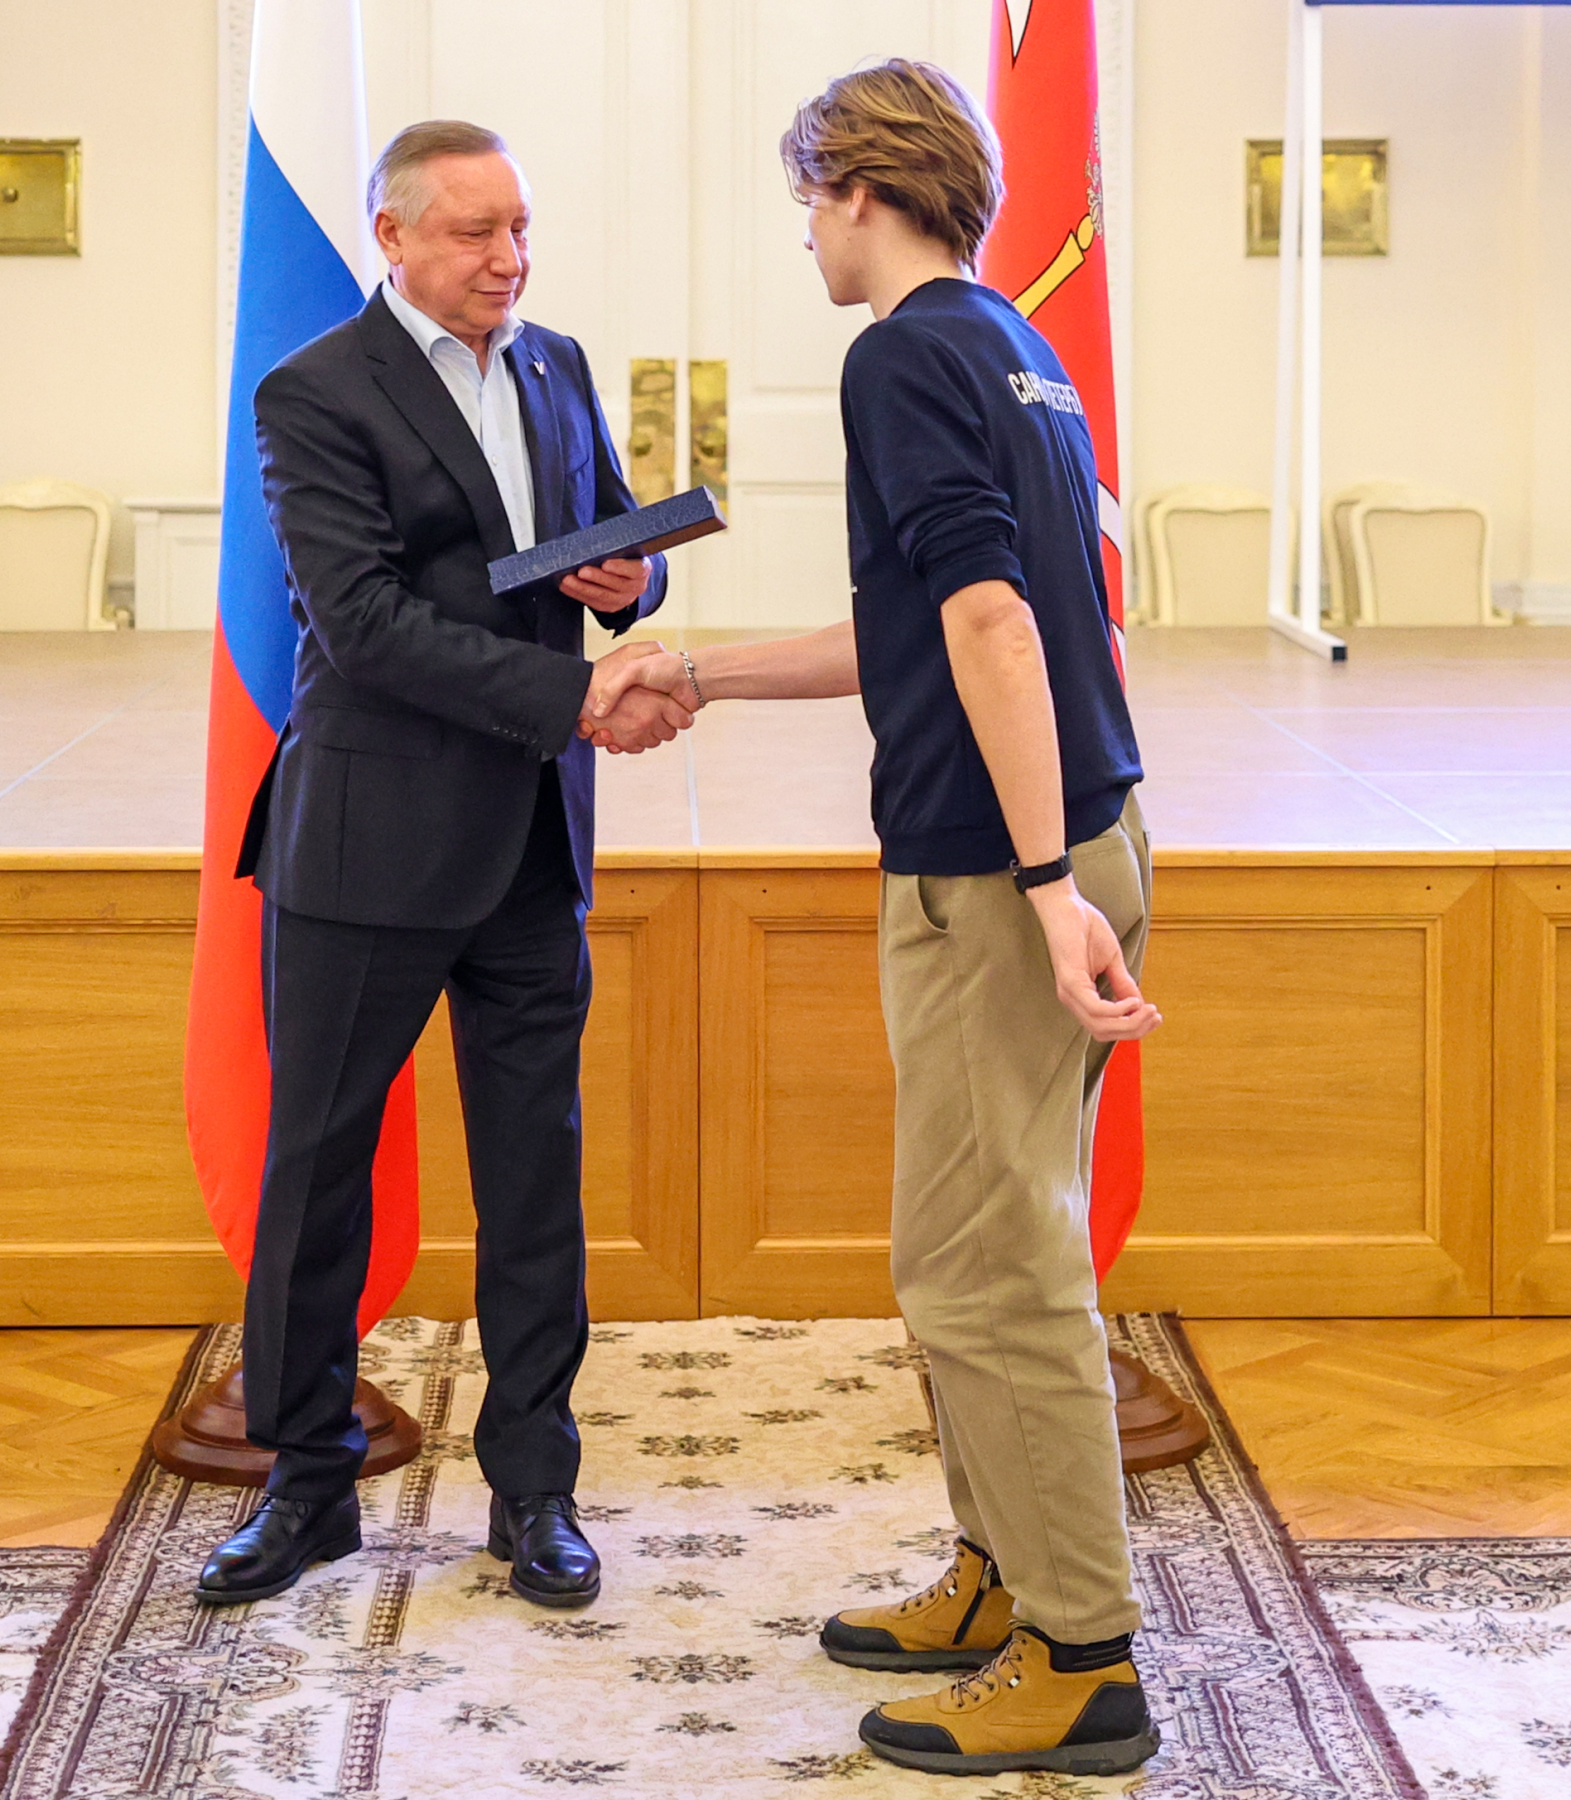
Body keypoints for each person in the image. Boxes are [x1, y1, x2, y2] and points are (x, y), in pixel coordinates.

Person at [587, 59, 1162, 1779]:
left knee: (997, 1275)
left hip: (1002, 872)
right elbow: (922, 626)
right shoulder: (1017, 347)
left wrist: (1042, 890)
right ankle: (1003, 1576)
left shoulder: (898, 354)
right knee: (970, 1258)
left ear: (854, 187)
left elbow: (994, 627)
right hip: (1069, 837)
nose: (807, 237)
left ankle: (1083, 1656)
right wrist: (699, 672)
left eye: (807, 201)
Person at [196, 120, 689, 1612]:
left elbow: (609, 546)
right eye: (476, 232)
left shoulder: (557, 366)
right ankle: (305, 1487)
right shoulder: (314, 389)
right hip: (369, 842)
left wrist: (636, 577)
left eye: (519, 226)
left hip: (531, 842)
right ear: (393, 236)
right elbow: (358, 623)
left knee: (536, 1178)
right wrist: (574, 695)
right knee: (319, 1174)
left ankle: (535, 1490)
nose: (508, 257)